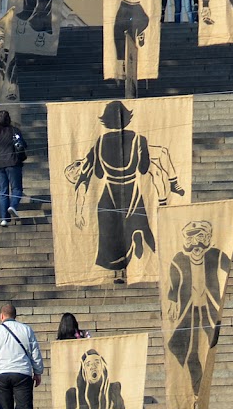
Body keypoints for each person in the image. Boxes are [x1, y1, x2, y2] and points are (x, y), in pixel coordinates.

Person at [65, 100, 184, 284]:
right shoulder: (138, 139)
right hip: (132, 191)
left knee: (111, 238)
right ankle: (140, 265)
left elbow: (92, 175)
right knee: (140, 229)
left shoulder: (100, 142)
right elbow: (144, 168)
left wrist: (79, 211)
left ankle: (118, 273)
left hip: (109, 194)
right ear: (128, 119)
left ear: (106, 121)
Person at [164, 219, 229, 409]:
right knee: (190, 352)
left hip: (209, 308)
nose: (196, 244)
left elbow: (227, 263)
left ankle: (208, 389)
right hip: (189, 310)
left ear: (208, 239)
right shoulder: (178, 259)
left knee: (212, 345)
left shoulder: (215, 255)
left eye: (201, 237)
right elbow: (174, 282)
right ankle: (196, 394)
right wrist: (173, 300)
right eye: (191, 238)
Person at [0, 109, 28, 226]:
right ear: (9, 119)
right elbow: (23, 145)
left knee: (3, 192)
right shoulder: (14, 130)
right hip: (12, 162)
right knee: (17, 189)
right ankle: (13, 206)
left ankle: (4, 219)